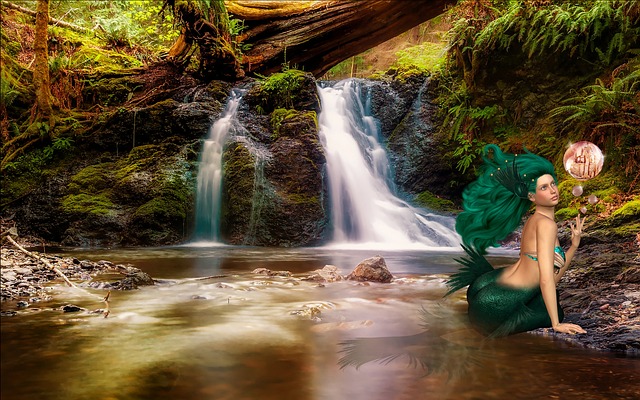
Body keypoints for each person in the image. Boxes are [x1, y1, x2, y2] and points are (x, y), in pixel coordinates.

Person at [445, 144, 587, 337]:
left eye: (553, 184)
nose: (553, 190)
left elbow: (549, 271)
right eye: (544, 187)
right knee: (555, 310)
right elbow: (547, 279)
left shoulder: (534, 220)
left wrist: (575, 245)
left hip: (486, 286)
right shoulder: (547, 225)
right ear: (531, 196)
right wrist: (556, 323)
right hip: (497, 306)